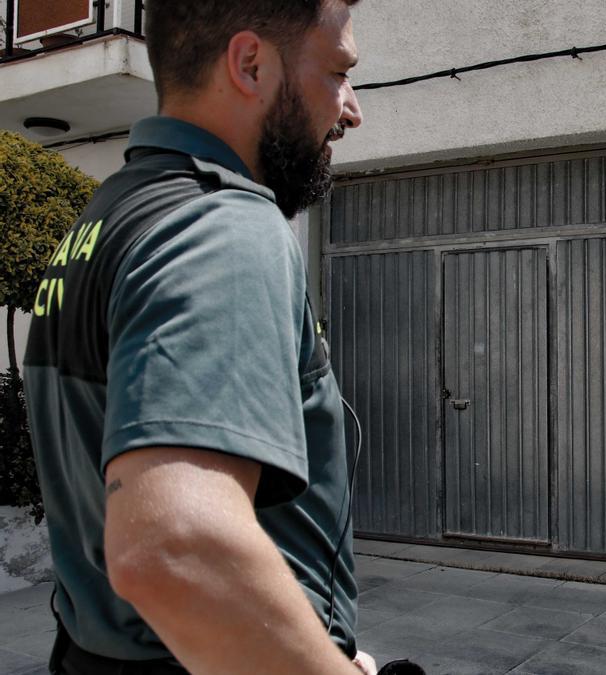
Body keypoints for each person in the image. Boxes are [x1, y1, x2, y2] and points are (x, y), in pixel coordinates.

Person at [22, 1, 377, 673]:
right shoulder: (221, 223)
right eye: (336, 72)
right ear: (249, 64)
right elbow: (175, 545)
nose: (351, 109)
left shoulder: (110, 215)